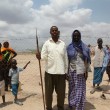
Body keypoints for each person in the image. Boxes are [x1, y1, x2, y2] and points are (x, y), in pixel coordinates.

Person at [36, 26, 68, 110]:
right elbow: (43, 56)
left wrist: (66, 72)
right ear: (50, 32)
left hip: (61, 73)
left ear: (58, 32)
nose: (54, 32)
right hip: (49, 72)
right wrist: (39, 56)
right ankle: (49, 108)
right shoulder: (47, 43)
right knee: (48, 93)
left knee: (61, 94)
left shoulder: (63, 44)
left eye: (56, 30)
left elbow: (65, 59)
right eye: (52, 30)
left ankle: (60, 108)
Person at [67, 30, 90, 110]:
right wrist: (67, 72)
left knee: (79, 89)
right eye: (74, 36)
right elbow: (68, 61)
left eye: (78, 36)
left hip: (81, 72)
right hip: (71, 71)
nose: (76, 37)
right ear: (72, 37)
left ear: (80, 37)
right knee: (72, 88)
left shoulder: (85, 47)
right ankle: (72, 104)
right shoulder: (69, 47)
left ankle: (79, 106)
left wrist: (86, 72)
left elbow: (86, 60)